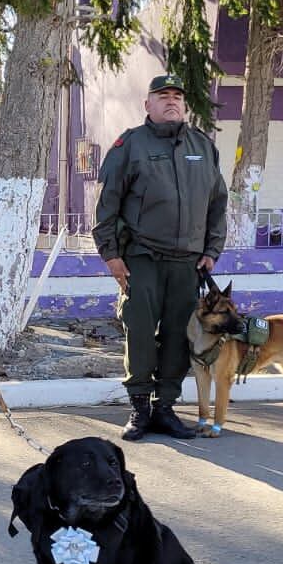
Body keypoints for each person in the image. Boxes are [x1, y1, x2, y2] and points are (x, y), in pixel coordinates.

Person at [92, 72, 228, 440]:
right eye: (163, 96)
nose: (172, 101)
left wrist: (212, 250)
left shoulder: (203, 145)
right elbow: (107, 205)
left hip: (187, 264)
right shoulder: (129, 145)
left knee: (177, 337)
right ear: (147, 105)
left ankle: (165, 407)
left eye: (177, 97)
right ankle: (139, 408)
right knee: (138, 333)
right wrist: (111, 255)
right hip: (141, 260)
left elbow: (218, 204)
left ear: (184, 105)